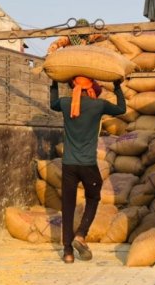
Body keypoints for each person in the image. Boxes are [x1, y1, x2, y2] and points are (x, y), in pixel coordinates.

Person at [50, 76, 126, 263]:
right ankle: (81, 234)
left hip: (68, 164)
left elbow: (53, 104)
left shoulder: (66, 103)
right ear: (91, 86)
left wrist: (53, 83)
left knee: (67, 206)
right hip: (88, 165)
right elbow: (121, 109)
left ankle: (67, 252)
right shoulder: (98, 105)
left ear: (73, 85)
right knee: (93, 197)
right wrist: (117, 86)